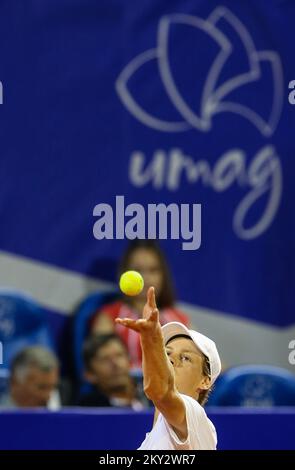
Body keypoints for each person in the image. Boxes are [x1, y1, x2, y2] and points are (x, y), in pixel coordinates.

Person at [116, 287, 221, 450]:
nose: (171, 361)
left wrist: (150, 340)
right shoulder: (156, 435)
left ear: (205, 380)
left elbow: (159, 391)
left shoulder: (194, 416)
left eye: (185, 358)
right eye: (167, 354)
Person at [91, 240, 190, 369]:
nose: (145, 278)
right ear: (125, 273)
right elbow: (102, 367)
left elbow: (203, 366)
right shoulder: (109, 318)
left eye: (153, 270)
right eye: (137, 270)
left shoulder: (179, 319)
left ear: (163, 275)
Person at [77, 333, 149, 409]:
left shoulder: (152, 396)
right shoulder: (88, 409)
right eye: (105, 359)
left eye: (119, 355)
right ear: (89, 374)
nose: (115, 364)